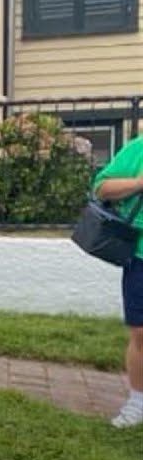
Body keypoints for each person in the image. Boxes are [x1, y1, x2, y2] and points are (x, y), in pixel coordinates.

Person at [93, 135, 143, 428]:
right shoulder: (138, 149)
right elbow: (102, 187)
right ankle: (138, 402)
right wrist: (138, 183)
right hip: (140, 257)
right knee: (140, 333)